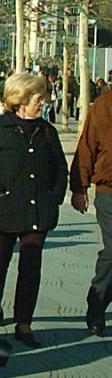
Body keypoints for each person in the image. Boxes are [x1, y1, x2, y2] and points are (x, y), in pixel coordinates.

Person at [0, 72, 67, 347]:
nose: (43, 102)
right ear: (21, 99)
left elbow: (60, 167)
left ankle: (24, 323)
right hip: (4, 209)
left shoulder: (47, 131)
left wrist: (54, 196)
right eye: (38, 98)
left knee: (31, 265)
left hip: (38, 211)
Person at [70, 81, 112, 336]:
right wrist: (79, 187)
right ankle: (97, 301)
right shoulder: (105, 104)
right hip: (109, 190)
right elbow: (87, 146)